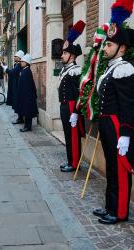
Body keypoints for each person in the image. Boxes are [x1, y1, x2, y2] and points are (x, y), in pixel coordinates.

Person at [93, 0, 134, 225]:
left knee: (120, 170)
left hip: (117, 125)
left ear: (121, 48)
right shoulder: (110, 69)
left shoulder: (124, 69)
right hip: (107, 124)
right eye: (105, 44)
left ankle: (120, 211)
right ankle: (110, 206)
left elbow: (127, 106)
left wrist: (125, 134)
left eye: (109, 44)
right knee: (111, 168)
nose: (104, 48)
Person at [58, 20, 86, 173]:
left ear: (73, 56)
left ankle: (75, 163)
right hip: (64, 106)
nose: (62, 55)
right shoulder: (65, 70)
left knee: (74, 136)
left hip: (71, 107)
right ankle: (70, 160)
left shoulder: (76, 70)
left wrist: (75, 112)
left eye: (65, 53)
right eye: (63, 53)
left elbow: (78, 94)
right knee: (68, 135)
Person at [16, 54, 38, 132]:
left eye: (22, 61)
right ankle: (27, 125)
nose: (21, 62)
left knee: (28, 111)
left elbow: (28, 86)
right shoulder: (24, 70)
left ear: (26, 63)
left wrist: (26, 96)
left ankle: (28, 126)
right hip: (24, 95)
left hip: (27, 95)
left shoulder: (27, 71)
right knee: (26, 110)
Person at [6, 50, 24, 124]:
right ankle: (20, 118)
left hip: (17, 86)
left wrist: (6, 69)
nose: (14, 57)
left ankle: (20, 118)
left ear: (19, 58)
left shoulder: (19, 65)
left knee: (18, 103)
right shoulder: (16, 64)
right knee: (16, 103)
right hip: (14, 85)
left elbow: (12, 72)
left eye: (15, 56)